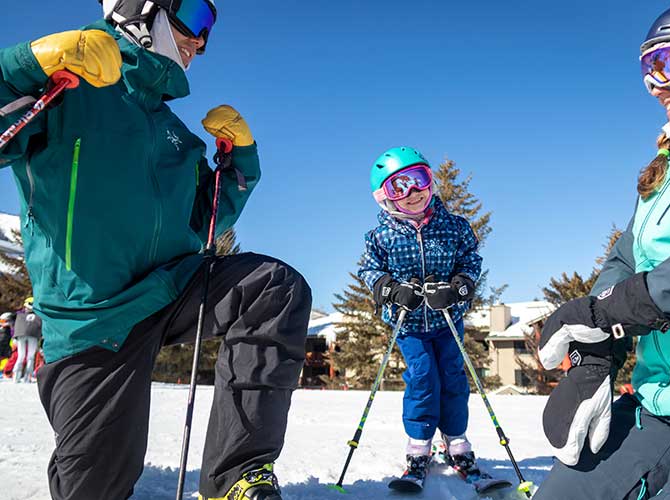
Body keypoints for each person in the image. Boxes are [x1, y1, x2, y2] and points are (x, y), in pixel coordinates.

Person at [0, 1, 311, 499]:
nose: (202, 41)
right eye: (194, 17)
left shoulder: (177, 136)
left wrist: (242, 164)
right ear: (136, 9)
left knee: (271, 288)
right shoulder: (62, 86)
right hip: (93, 318)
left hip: (171, 289)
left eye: (210, 28)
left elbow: (205, 220)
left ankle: (237, 479)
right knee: (93, 487)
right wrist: (20, 68)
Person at [534, 1, 670, 499]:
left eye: (668, 64)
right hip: (663, 397)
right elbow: (627, 258)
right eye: (646, 69)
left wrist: (627, 306)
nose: (655, 85)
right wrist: (597, 348)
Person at [358, 147, 483, 483]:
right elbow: (368, 270)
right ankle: (419, 445)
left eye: (419, 180)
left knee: (453, 376)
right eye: (400, 186)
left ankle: (456, 440)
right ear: (384, 197)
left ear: (431, 182)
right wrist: (391, 289)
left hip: (447, 320)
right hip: (409, 324)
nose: (412, 192)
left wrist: (458, 287)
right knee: (424, 377)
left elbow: (471, 261)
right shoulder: (380, 236)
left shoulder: (455, 227)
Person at [11, 297, 41, 383]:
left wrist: (14, 336)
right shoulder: (37, 315)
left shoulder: (19, 314)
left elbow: (14, 324)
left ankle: (18, 376)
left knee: (23, 356)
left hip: (22, 335)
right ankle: (25, 377)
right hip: (32, 335)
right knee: (29, 356)